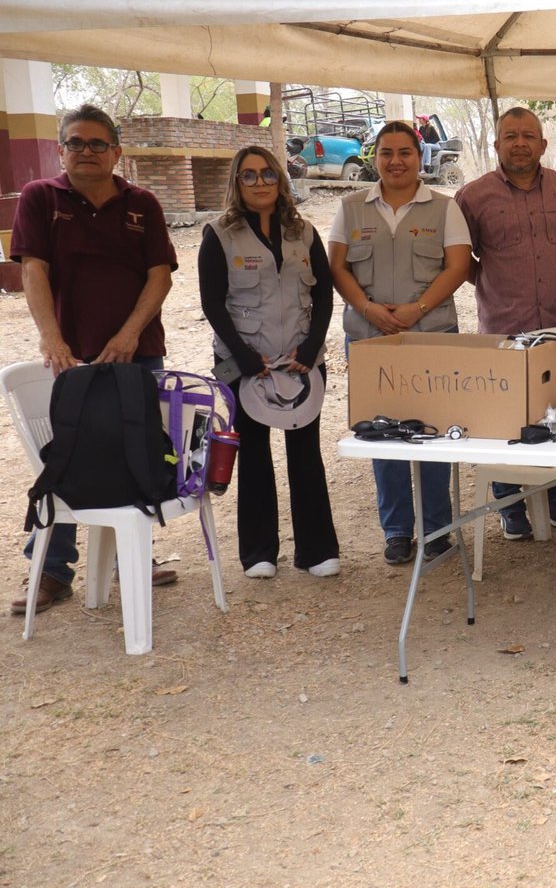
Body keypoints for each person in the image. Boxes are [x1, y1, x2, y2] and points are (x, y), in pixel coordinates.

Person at [9, 104, 180, 615]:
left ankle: (134, 556)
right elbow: (33, 270)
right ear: (61, 150)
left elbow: (160, 276)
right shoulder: (41, 197)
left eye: (98, 143)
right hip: (69, 358)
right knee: (64, 454)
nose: (87, 151)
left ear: (116, 152)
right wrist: (51, 338)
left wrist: (129, 335)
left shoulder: (141, 203)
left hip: (138, 353)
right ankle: (52, 569)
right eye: (76, 143)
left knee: (137, 450)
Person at [329, 120, 472, 566]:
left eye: (405, 152)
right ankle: (396, 531)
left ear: (419, 156)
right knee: (382, 436)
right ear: (375, 158)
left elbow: (458, 266)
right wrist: (367, 309)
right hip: (370, 339)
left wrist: (418, 309)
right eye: (386, 152)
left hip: (432, 337)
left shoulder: (444, 208)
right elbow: (337, 267)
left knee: (433, 435)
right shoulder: (351, 208)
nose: (395, 161)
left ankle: (437, 530)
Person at [198, 146, 340, 579]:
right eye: (249, 175)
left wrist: (311, 349)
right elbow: (212, 302)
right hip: (246, 363)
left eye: (267, 174)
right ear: (237, 183)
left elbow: (323, 294)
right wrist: (243, 357)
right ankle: (258, 552)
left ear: (280, 179)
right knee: (254, 453)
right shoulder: (219, 234)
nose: (259, 182)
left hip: (300, 362)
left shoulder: (304, 232)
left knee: (305, 452)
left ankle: (317, 551)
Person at [455, 106, 556, 539]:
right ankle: (509, 505)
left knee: (555, 413)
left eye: (528, 135)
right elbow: (459, 258)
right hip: (502, 325)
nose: (520, 143)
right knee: (503, 420)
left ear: (543, 144)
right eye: (510, 136)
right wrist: (492, 282)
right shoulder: (473, 197)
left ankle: (554, 495)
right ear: (497, 145)